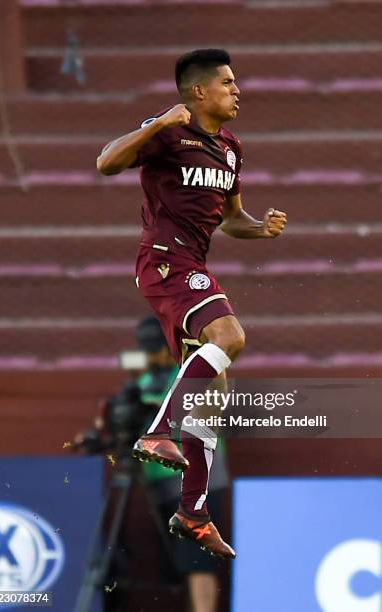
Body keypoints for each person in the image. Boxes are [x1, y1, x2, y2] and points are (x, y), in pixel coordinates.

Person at [97, 48, 287, 559]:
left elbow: (231, 218)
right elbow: (106, 162)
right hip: (164, 261)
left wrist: (259, 229)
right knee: (230, 337)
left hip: (192, 266)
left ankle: (193, 511)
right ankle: (159, 431)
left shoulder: (230, 147)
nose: (237, 90)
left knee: (214, 391)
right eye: (227, 82)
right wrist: (157, 121)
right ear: (198, 91)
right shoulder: (167, 133)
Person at [136, 315, 229, 612]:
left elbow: (212, 410)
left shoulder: (195, 370)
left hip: (195, 477)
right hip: (158, 479)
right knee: (180, 559)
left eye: (156, 346)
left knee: (196, 555)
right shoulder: (144, 381)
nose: (152, 354)